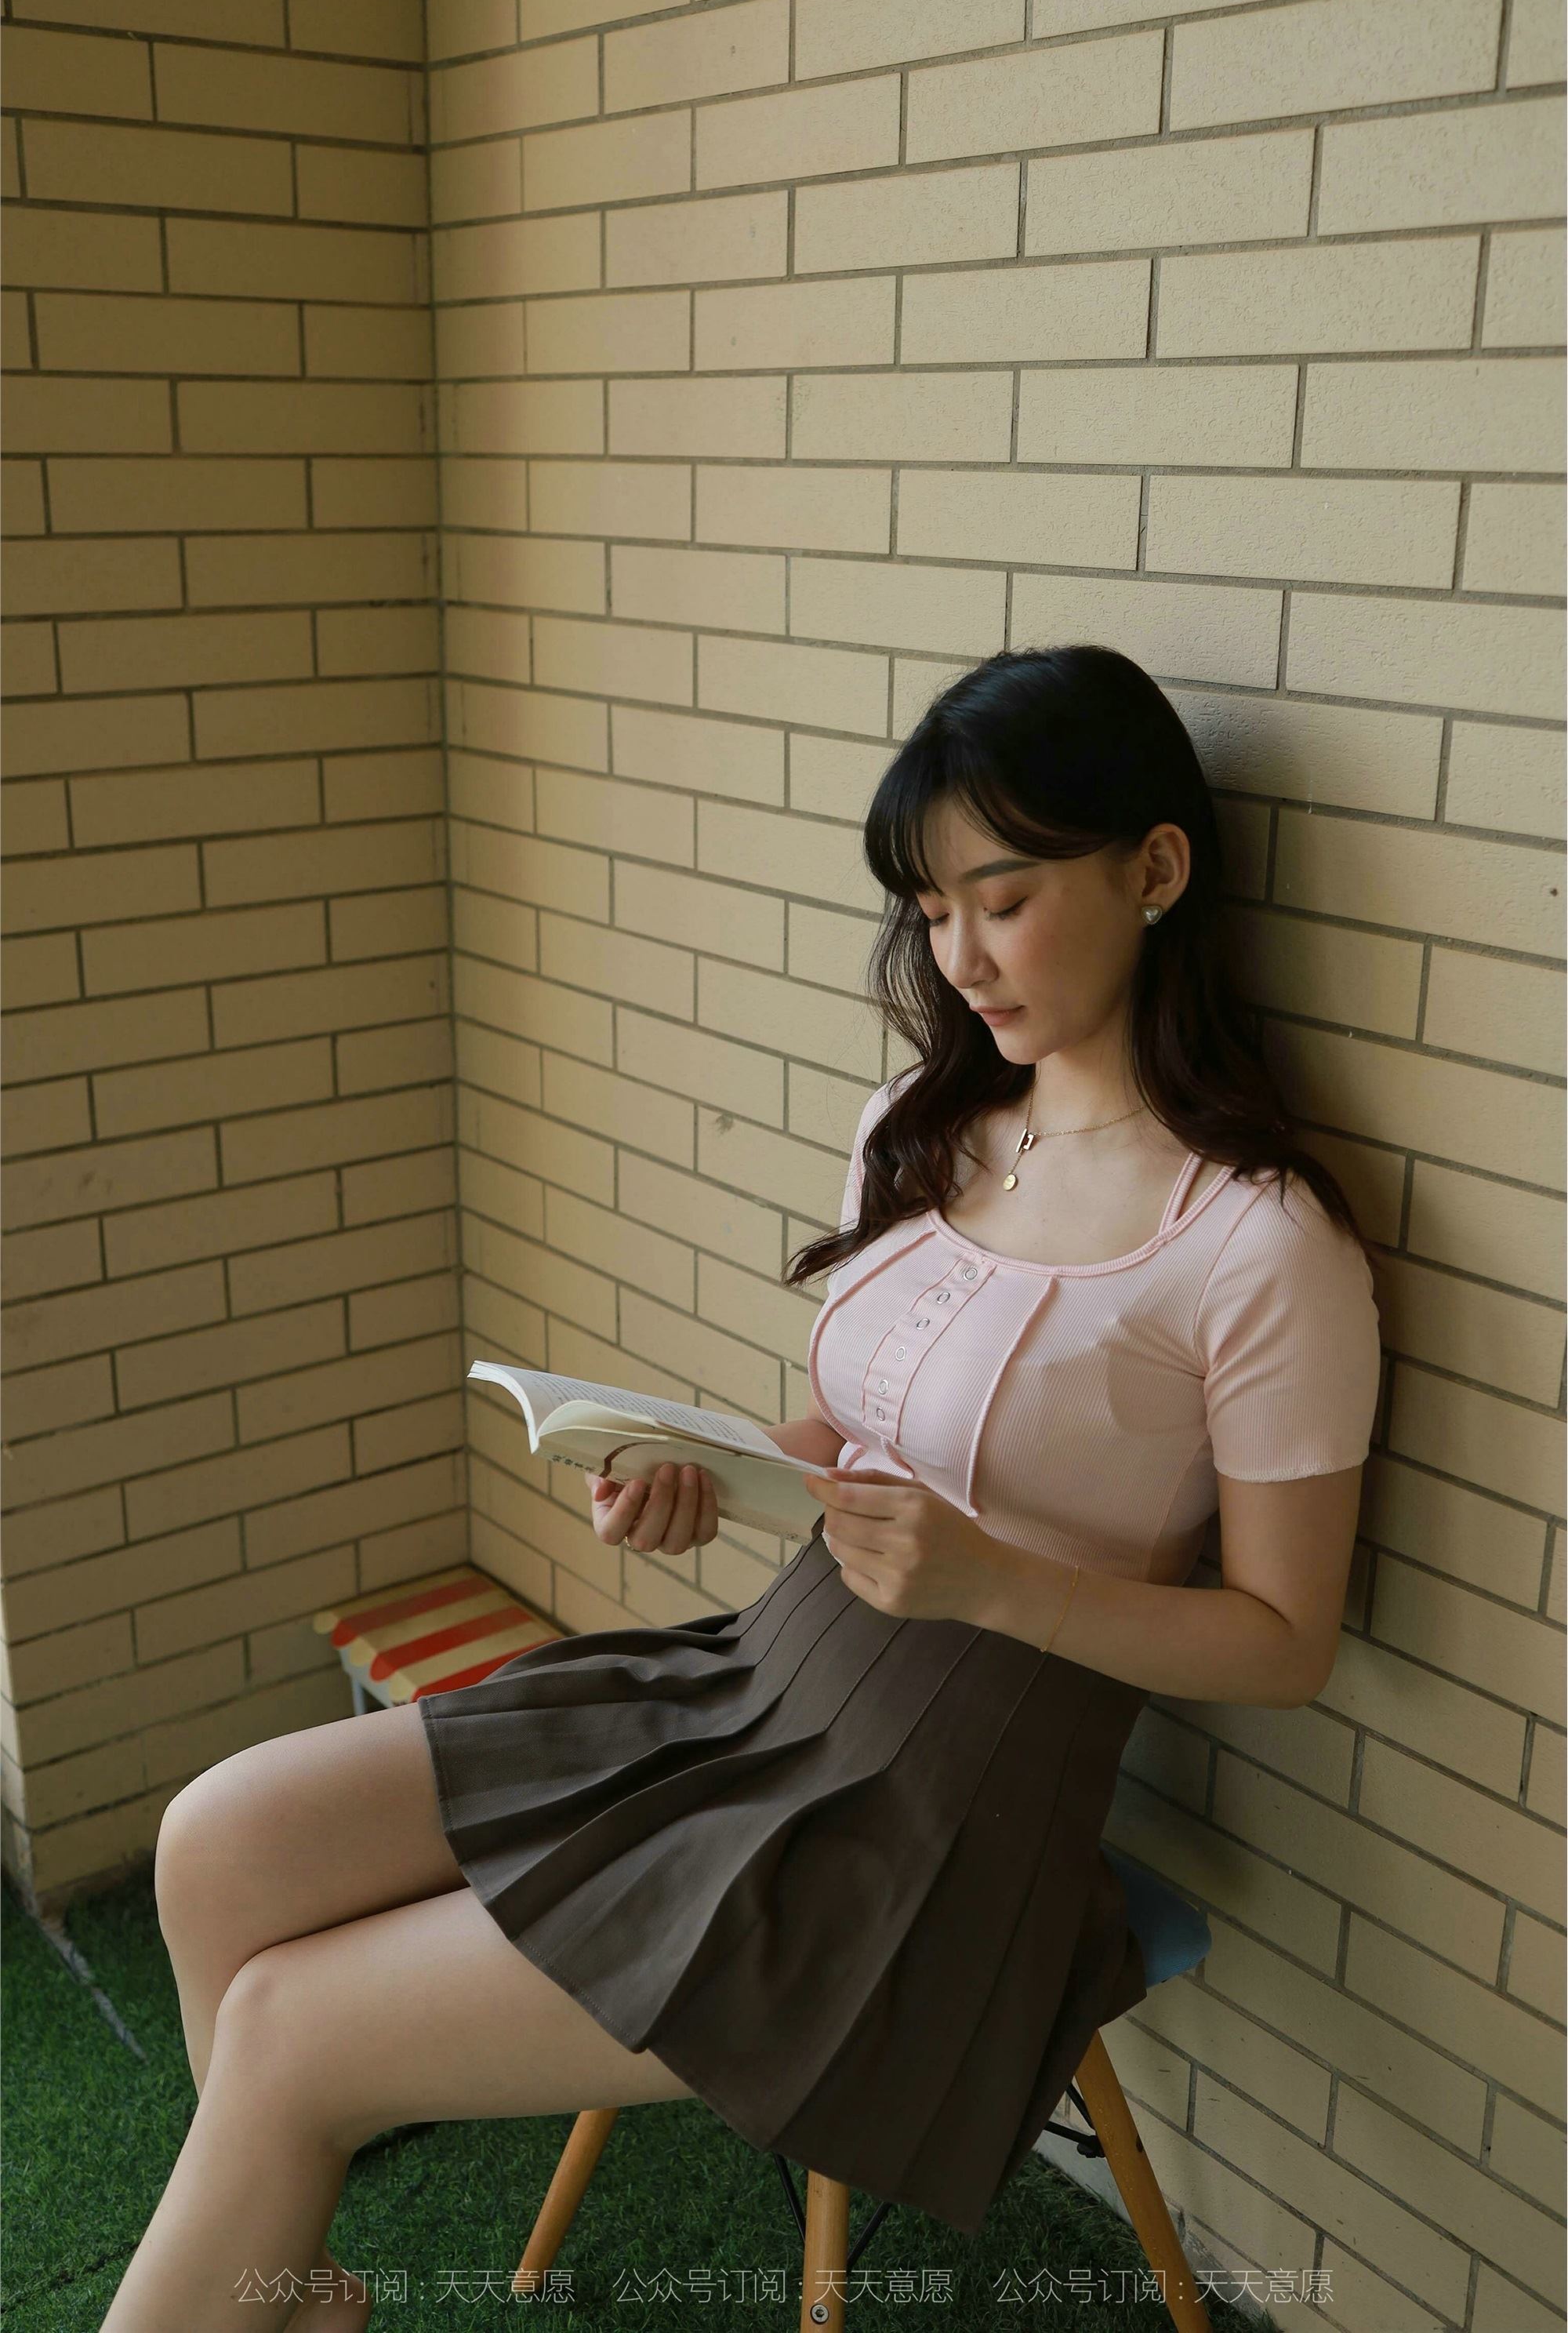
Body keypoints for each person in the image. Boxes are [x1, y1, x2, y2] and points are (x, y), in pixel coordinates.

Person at [105, 642, 1383, 2328]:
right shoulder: (923, 1129)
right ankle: (289, 2282)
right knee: (211, 1847)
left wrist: (993, 1582)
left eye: (1000, 899)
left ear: (1154, 869)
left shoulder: (1259, 1246)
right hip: (750, 1683)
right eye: (929, 910)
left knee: (284, 2031)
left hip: (931, 1829)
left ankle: (266, 2265)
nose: (959, 954)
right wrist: (711, 1478)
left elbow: (1287, 1641)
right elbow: (842, 1440)